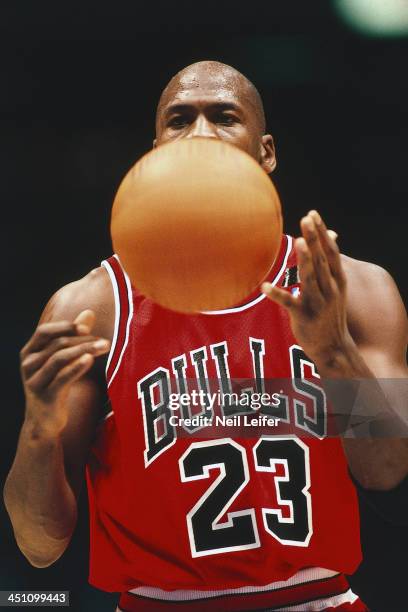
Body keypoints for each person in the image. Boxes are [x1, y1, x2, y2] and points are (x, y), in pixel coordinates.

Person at [3, 61, 408, 612]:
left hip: (318, 598)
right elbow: (39, 548)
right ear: (155, 151)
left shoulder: (356, 290)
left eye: (223, 116)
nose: (199, 135)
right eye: (178, 120)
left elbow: (391, 479)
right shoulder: (91, 307)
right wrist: (36, 433)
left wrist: (334, 353)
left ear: (266, 152)